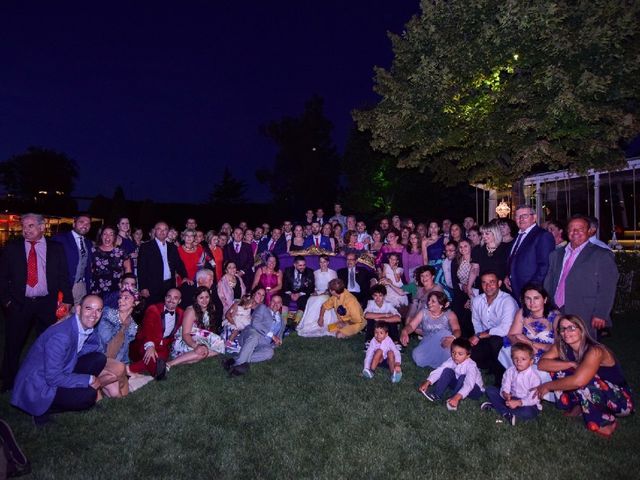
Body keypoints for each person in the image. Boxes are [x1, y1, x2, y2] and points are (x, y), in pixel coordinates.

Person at [11, 295, 126, 425]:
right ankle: (43, 410)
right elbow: (53, 378)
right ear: (78, 309)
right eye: (89, 308)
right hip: (39, 385)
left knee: (98, 359)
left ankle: (70, 396)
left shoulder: (83, 326)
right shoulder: (61, 336)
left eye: (98, 310)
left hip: (61, 369)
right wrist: (88, 379)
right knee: (88, 395)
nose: (94, 314)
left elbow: (87, 351)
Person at [0, 213, 73, 392]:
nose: (26, 230)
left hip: (46, 304)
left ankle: (45, 377)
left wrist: (69, 300)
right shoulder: (12, 248)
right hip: (19, 303)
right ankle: (8, 381)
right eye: (24, 226)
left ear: (42, 227)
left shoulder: (56, 248)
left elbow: (63, 276)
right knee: (13, 344)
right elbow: (2, 277)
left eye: (31, 226)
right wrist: (7, 302)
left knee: (49, 343)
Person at [535, 315, 634, 438]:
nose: (566, 332)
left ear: (581, 330)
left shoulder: (596, 351)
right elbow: (541, 364)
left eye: (571, 328)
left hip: (620, 401)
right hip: (596, 392)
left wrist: (547, 386)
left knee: (583, 380)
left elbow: (578, 381)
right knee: (559, 369)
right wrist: (570, 363)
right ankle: (580, 406)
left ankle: (606, 423)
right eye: (563, 329)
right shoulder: (562, 346)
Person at [543, 215, 619, 339]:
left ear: (589, 232)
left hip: (585, 311)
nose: (575, 232)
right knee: (560, 347)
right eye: (572, 229)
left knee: (585, 350)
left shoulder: (601, 255)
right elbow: (549, 281)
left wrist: (601, 313)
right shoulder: (556, 254)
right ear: (567, 232)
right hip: (557, 309)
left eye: (580, 229)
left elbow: (607, 288)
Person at [470, 271, 518, 386]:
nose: (488, 286)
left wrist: (480, 335)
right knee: (470, 353)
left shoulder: (507, 301)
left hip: (508, 340)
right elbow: (476, 323)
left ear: (499, 283)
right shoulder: (477, 301)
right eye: (484, 283)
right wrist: (478, 338)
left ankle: (500, 378)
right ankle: (491, 364)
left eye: (492, 282)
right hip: (487, 338)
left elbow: (505, 329)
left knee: (495, 341)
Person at [499, 284, 559, 370]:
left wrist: (531, 344)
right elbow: (512, 335)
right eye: (528, 298)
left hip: (547, 356)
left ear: (545, 299)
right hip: (526, 352)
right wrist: (528, 345)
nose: (532, 302)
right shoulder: (522, 313)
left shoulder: (556, 317)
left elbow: (559, 347)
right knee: (509, 351)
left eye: (536, 298)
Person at [222, 292, 283, 376]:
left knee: (270, 352)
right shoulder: (262, 308)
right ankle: (238, 366)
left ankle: (232, 361)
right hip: (250, 334)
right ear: (269, 302)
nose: (275, 304)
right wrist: (272, 336)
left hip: (263, 343)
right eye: (273, 301)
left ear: (281, 305)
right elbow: (255, 323)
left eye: (278, 302)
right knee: (255, 336)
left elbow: (279, 335)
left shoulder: (281, 320)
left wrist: (278, 341)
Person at [481, 342, 542, 425]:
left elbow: (534, 398)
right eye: (515, 358)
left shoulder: (534, 378)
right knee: (490, 390)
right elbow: (505, 384)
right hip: (511, 398)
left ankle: (498, 407)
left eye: (523, 359)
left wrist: (518, 403)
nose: (518, 361)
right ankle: (506, 412)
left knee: (529, 412)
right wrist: (505, 393)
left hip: (526, 403)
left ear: (531, 361)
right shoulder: (510, 371)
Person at [128, 288, 183, 379]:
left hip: (163, 347)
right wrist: (150, 346)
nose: (171, 300)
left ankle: (128, 369)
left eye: (175, 298)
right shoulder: (153, 309)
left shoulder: (181, 313)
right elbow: (147, 328)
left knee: (159, 358)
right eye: (169, 297)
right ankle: (158, 373)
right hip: (144, 342)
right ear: (165, 298)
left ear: (179, 301)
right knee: (151, 357)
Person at [505, 205, 555, 304]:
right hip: (515, 289)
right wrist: (508, 275)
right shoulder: (517, 236)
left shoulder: (542, 236)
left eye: (525, 216)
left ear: (534, 217)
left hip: (531, 293)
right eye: (518, 216)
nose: (521, 219)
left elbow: (544, 265)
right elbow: (514, 260)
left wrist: (531, 289)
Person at [418, 337, 484, 411]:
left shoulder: (471, 366)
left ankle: (454, 399)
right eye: (453, 352)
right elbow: (440, 370)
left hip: (475, 390)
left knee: (463, 377)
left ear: (468, 356)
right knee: (447, 371)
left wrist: (456, 397)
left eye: (460, 354)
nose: (455, 356)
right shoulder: (452, 360)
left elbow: (469, 384)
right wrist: (427, 382)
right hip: (459, 383)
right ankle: (436, 394)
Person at [401, 291, 461, 368]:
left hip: (445, 343)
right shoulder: (423, 312)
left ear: (441, 305)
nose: (429, 302)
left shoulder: (450, 314)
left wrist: (453, 338)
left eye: (433, 301)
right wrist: (405, 331)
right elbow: (411, 326)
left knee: (444, 333)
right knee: (417, 356)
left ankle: (445, 360)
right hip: (428, 342)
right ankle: (438, 360)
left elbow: (457, 330)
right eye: (429, 300)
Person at [171, 286, 225, 364]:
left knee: (220, 345)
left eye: (207, 297)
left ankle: (191, 358)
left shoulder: (211, 307)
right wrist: (196, 346)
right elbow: (185, 334)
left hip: (199, 337)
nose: (204, 300)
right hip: (186, 340)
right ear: (196, 298)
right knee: (214, 346)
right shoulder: (191, 311)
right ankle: (172, 363)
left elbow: (207, 329)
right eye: (201, 298)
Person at [137, 221, 188, 305]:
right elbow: (141, 269)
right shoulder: (145, 247)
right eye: (159, 229)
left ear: (168, 232)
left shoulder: (172, 247)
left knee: (168, 310)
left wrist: (185, 276)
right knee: (153, 311)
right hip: (152, 287)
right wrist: (143, 287)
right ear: (154, 231)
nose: (162, 232)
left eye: (165, 229)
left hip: (169, 285)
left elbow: (179, 263)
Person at [52, 214, 93, 305]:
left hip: (82, 287)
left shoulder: (89, 243)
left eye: (88, 223)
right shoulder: (60, 239)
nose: (85, 225)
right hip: (64, 288)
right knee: (62, 317)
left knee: (78, 317)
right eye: (81, 222)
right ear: (74, 224)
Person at [297, 255, 338, 337]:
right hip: (317, 293)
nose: (323, 264)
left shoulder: (333, 272)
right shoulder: (315, 273)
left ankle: (323, 322)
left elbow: (334, 286)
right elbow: (312, 285)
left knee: (322, 299)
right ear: (319, 263)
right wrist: (314, 291)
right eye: (321, 262)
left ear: (328, 263)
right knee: (311, 300)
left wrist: (327, 292)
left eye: (324, 262)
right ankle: (309, 323)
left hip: (328, 293)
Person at [97, 287, 139, 366]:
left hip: (117, 362)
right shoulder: (108, 313)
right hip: (100, 357)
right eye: (120, 297)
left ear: (135, 303)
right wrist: (122, 327)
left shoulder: (133, 326)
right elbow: (107, 346)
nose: (120, 300)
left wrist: (126, 365)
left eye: (126, 298)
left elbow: (125, 351)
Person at [467, 222, 510, 297]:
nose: (484, 236)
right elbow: (474, 270)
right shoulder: (478, 249)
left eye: (487, 233)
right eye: (482, 233)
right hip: (485, 288)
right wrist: (469, 286)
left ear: (495, 233)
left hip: (501, 288)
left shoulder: (506, 248)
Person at [90, 226, 132, 298]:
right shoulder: (93, 251)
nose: (107, 236)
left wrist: (127, 288)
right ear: (101, 236)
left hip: (116, 290)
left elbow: (128, 270)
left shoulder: (121, 251)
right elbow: (89, 270)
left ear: (114, 237)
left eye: (111, 234)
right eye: (105, 234)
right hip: (96, 290)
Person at [281, 256, 315, 324]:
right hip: (290, 291)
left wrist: (299, 294)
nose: (303, 267)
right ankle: (283, 323)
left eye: (304, 265)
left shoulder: (309, 272)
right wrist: (291, 294)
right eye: (300, 265)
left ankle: (295, 323)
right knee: (284, 299)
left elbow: (311, 288)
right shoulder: (288, 271)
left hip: (302, 293)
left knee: (303, 301)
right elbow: (284, 285)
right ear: (295, 265)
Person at [451, 239, 474, 338]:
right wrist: (462, 286)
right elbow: (455, 282)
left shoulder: (475, 261)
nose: (463, 249)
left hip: (473, 293)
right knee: (458, 315)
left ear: (470, 246)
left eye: (465, 246)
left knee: (470, 319)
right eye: (460, 247)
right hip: (460, 293)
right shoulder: (456, 262)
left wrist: (470, 298)